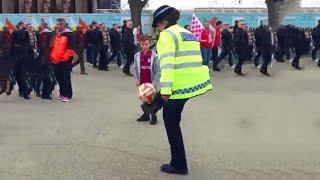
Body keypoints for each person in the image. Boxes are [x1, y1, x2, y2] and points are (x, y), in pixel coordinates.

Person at [152, 5, 212, 175]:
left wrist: (165, 90)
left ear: (163, 22)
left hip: (177, 88)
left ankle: (179, 165)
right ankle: (179, 162)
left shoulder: (166, 35)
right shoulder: (188, 34)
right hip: (191, 86)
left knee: (171, 124)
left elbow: (168, 64)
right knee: (173, 120)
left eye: (158, 24)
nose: (158, 28)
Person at [134, 35, 161, 125]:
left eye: (146, 44)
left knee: (152, 100)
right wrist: (137, 79)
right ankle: (146, 115)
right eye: (142, 44)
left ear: (150, 44)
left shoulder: (155, 56)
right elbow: (135, 69)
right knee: (144, 98)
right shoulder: (137, 56)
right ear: (140, 44)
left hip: (151, 81)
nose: (144, 46)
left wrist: (154, 83)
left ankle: (153, 116)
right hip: (142, 81)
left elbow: (158, 71)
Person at [49, 18, 75, 102]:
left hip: (65, 60)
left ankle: (68, 95)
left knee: (65, 77)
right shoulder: (58, 35)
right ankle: (62, 92)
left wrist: (64, 58)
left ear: (62, 25)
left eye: (57, 24)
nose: (56, 26)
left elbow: (70, 48)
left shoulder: (69, 34)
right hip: (56, 60)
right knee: (59, 77)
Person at [12, 21, 32, 99]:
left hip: (23, 57)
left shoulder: (26, 33)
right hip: (16, 58)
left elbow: (28, 44)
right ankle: (21, 90)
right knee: (17, 75)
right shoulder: (15, 33)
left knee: (23, 75)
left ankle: (26, 92)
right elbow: (19, 35)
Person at [37, 23, 56, 100]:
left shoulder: (44, 35)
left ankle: (45, 94)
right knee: (47, 77)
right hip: (47, 58)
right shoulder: (47, 34)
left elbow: (43, 46)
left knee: (46, 77)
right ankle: (46, 94)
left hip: (44, 58)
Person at [0, 26, 13, 96]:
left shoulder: (9, 35)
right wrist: (1, 51)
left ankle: (6, 89)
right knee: (4, 75)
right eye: (6, 28)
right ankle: (6, 89)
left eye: (8, 28)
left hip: (7, 56)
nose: (8, 29)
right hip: (3, 56)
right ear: (4, 29)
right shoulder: (1, 35)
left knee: (5, 75)